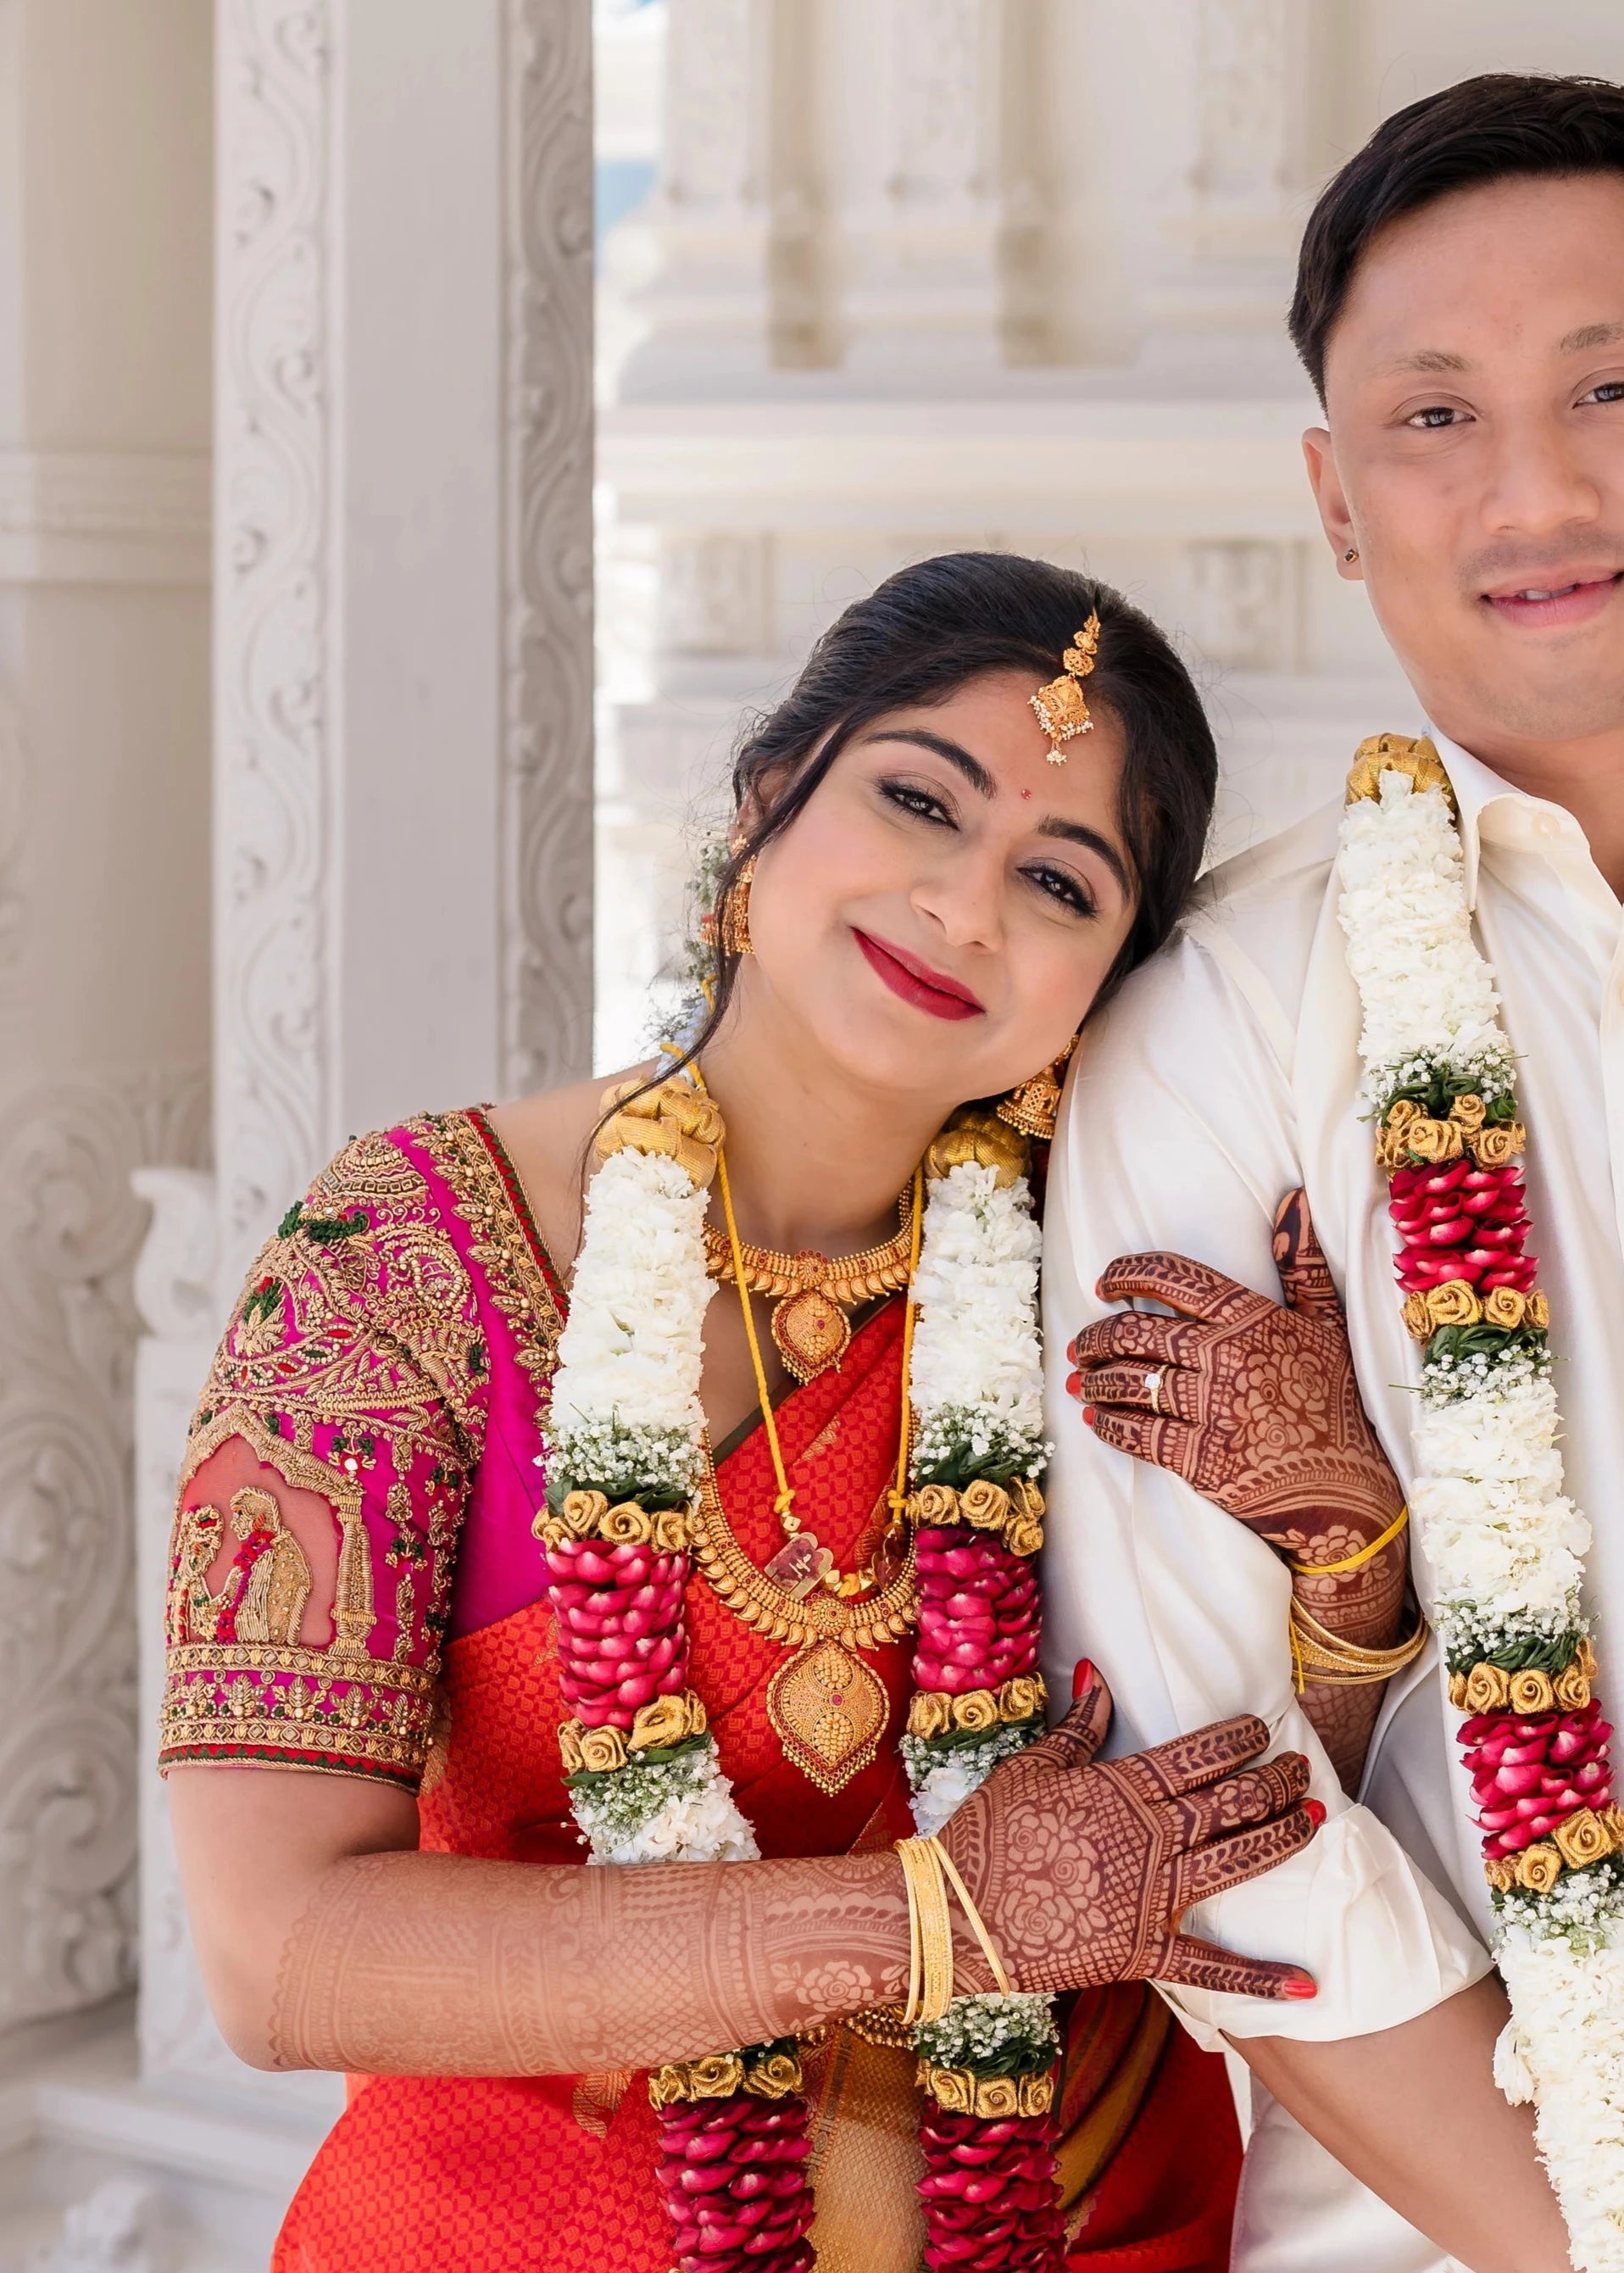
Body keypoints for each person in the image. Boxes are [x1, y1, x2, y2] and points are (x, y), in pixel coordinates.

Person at [160, 551, 1378, 2273]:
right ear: (762, 807)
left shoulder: (1106, 1273)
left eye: (1060, 879)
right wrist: (926, 1925)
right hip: (534, 2224)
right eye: (916, 800)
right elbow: (276, 1956)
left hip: (1074, 2203)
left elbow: (1255, 1802)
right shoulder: (397, 1264)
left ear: (1099, 989)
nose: (965, 905)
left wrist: (1349, 1553)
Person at [1059, 70, 1624, 2273]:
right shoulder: (1216, 1021)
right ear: (1329, 494)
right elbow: (1207, 1807)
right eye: (1432, 415)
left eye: (1610, 382)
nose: (1541, 485)